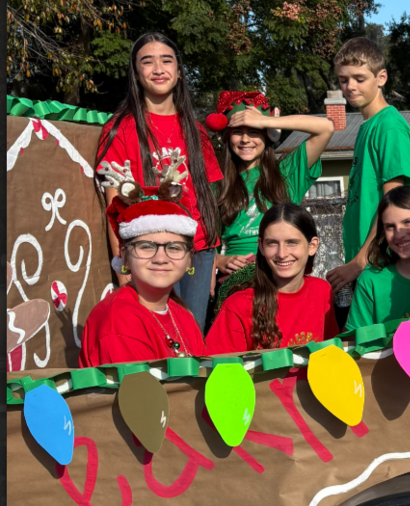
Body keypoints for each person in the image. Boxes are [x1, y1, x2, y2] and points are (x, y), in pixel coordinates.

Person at [95, 32, 223, 328]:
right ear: (135, 74)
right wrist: (122, 264)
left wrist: (212, 256)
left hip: (197, 253)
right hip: (148, 252)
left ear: (179, 72)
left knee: (191, 334)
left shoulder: (196, 131)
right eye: (147, 61)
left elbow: (206, 198)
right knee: (155, 335)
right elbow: (114, 205)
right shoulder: (119, 128)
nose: (158, 69)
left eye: (166, 61)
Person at [209, 91, 333, 304]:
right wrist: (218, 260)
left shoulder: (287, 173)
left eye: (254, 131)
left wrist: (267, 122)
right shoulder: (216, 183)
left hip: (283, 272)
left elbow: (326, 128)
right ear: (227, 138)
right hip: (236, 282)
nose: (245, 139)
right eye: (237, 132)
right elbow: (204, 244)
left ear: (267, 135)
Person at [327, 37, 410, 291]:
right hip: (368, 261)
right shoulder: (367, 127)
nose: (350, 87)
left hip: (383, 263)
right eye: (343, 80)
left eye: (359, 78)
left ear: (381, 78)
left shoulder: (389, 127)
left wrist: (361, 260)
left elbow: (394, 204)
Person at [79, 199, 207, 366]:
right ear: (125, 257)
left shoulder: (184, 317)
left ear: (189, 260)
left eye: (174, 247)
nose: (160, 258)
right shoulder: (120, 320)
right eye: (146, 247)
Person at [206, 204, 337, 353]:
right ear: (261, 247)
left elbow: (332, 354)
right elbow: (216, 364)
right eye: (272, 243)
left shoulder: (322, 291)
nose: (282, 254)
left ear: (312, 246)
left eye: (292, 242)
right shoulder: (237, 306)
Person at [346, 186, 410, 329]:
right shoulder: (371, 282)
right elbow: (356, 339)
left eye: (408, 222)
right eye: (390, 227)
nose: (399, 234)